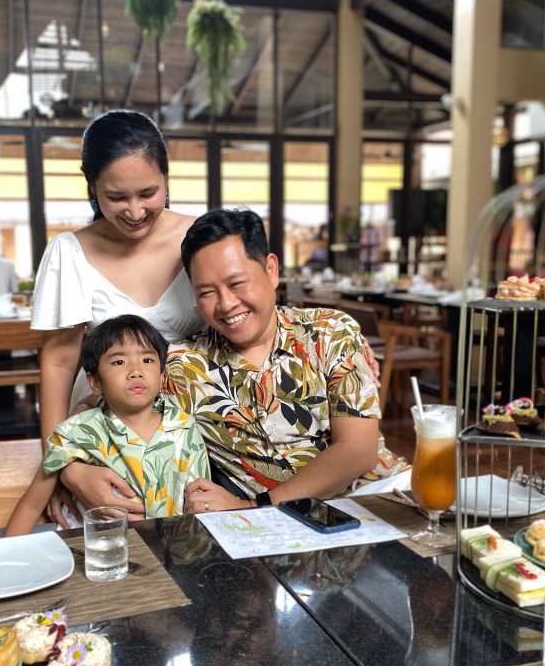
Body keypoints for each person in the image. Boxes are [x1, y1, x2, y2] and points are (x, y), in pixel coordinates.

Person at [60, 208, 407, 515]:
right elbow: (95, 405)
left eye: (237, 283)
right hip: (285, 533)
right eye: (206, 292)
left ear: (271, 270)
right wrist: (71, 470)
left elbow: (357, 452)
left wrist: (256, 508)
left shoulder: (330, 332)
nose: (226, 304)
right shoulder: (183, 366)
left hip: (376, 498)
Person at [24, 110, 204, 526]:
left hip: (189, 435)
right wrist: (66, 467)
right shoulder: (70, 252)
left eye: (148, 193)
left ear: (167, 179)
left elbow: (246, 315)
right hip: (102, 436)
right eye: (116, 197)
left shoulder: (200, 237)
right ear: (92, 188)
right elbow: (58, 363)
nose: (135, 211)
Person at [4, 315, 210, 535]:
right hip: (97, 553)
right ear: (94, 382)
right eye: (119, 362)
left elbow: (200, 501)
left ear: (162, 376)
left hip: (171, 552)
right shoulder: (76, 432)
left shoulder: (185, 428)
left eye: (147, 360)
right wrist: (3, 563)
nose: (136, 371)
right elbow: (31, 505)